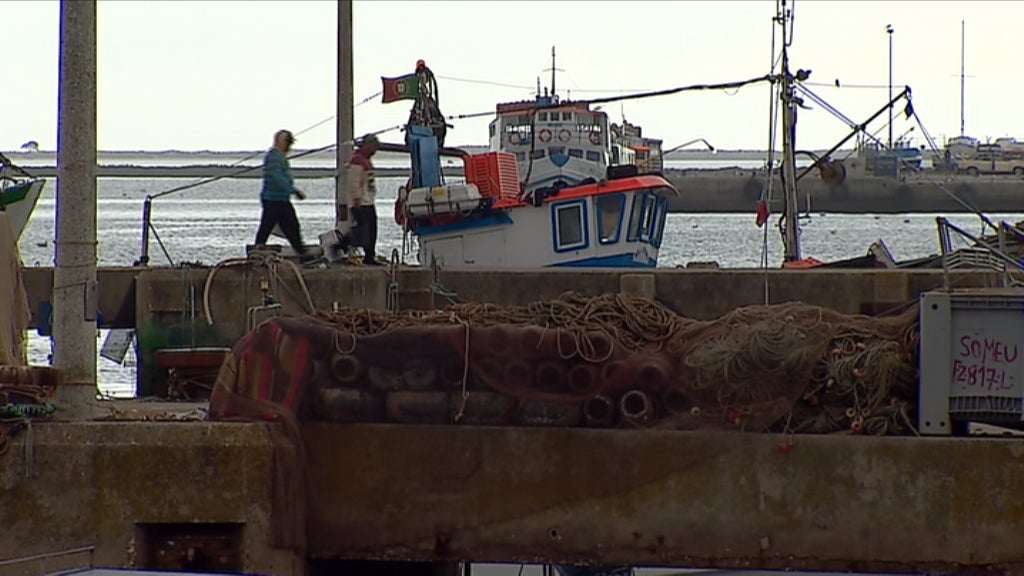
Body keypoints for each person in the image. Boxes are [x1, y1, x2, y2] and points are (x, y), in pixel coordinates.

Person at [254, 129, 314, 261]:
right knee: (274, 225)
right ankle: (257, 251)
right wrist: (293, 190)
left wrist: (291, 190)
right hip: (274, 198)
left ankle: (300, 252)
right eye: (287, 142)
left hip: (279, 198)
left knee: (286, 226)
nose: (289, 146)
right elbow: (277, 177)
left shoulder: (280, 156)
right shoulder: (274, 157)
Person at [345, 133, 381, 265]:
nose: (375, 151)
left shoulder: (366, 160)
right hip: (361, 202)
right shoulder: (357, 161)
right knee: (363, 230)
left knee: (371, 230)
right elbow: (353, 182)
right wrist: (356, 198)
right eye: (373, 147)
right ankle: (342, 244)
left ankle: (369, 256)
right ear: (367, 145)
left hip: (368, 201)